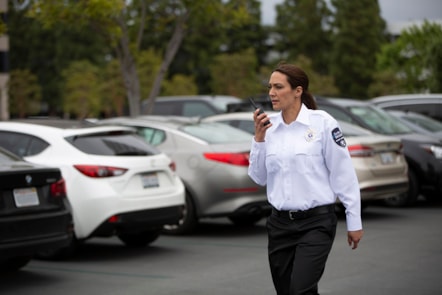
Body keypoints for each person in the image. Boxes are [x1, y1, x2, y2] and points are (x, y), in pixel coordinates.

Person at [248, 63, 363, 295]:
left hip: (316, 223)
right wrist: (258, 139)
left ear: (298, 90)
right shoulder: (269, 128)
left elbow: (343, 175)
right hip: (279, 225)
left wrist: (354, 221)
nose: (271, 92)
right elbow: (259, 178)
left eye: (279, 87)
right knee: (287, 291)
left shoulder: (323, 123)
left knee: (300, 290)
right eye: (270, 86)